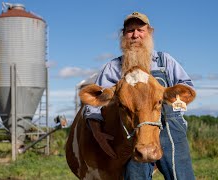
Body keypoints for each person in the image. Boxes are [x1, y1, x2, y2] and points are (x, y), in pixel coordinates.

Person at [83, 12, 195, 179]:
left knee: (182, 176)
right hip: (133, 134)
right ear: (123, 35)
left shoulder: (165, 61)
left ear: (150, 32)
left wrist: (172, 102)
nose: (135, 35)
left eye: (140, 30)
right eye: (130, 31)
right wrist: (98, 133)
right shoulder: (114, 67)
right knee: (135, 177)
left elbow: (186, 89)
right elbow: (94, 103)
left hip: (170, 129)